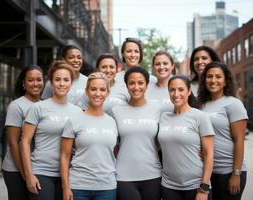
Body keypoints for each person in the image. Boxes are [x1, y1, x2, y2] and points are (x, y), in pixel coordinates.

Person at [20, 60, 82, 200]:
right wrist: (29, 175)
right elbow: (24, 142)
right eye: (57, 79)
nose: (61, 83)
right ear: (51, 82)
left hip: (69, 175)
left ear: (71, 83)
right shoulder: (38, 108)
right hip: (41, 172)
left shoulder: (78, 112)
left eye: (66, 80)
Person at [60, 72, 118, 200]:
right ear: (87, 91)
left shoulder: (112, 122)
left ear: (108, 93)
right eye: (93, 89)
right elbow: (65, 156)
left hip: (107, 187)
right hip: (79, 187)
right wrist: (65, 187)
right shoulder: (74, 120)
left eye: (102, 89)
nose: (98, 94)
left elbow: (114, 152)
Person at [158, 74, 214, 200]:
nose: (176, 93)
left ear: (189, 91)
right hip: (168, 186)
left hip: (196, 186)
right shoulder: (163, 117)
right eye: (172, 90)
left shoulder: (200, 117)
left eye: (181, 89)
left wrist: (204, 188)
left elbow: (209, 153)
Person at [197, 62, 248, 200]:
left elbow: (239, 140)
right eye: (209, 76)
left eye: (218, 77)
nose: (213, 80)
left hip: (228, 171)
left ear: (225, 81)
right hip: (208, 171)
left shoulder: (233, 104)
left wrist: (236, 174)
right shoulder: (201, 104)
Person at [111, 67, 161, 200]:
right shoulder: (116, 111)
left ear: (147, 85)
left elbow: (165, 139)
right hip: (124, 176)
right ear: (126, 86)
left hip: (153, 175)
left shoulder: (158, 109)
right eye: (131, 83)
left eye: (140, 83)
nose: (136, 87)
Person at [2, 65, 44, 200]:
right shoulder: (16, 106)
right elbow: (13, 144)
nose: (36, 84)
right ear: (24, 83)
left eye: (39, 79)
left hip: (36, 167)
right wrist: (26, 175)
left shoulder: (45, 105)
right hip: (16, 170)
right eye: (31, 80)